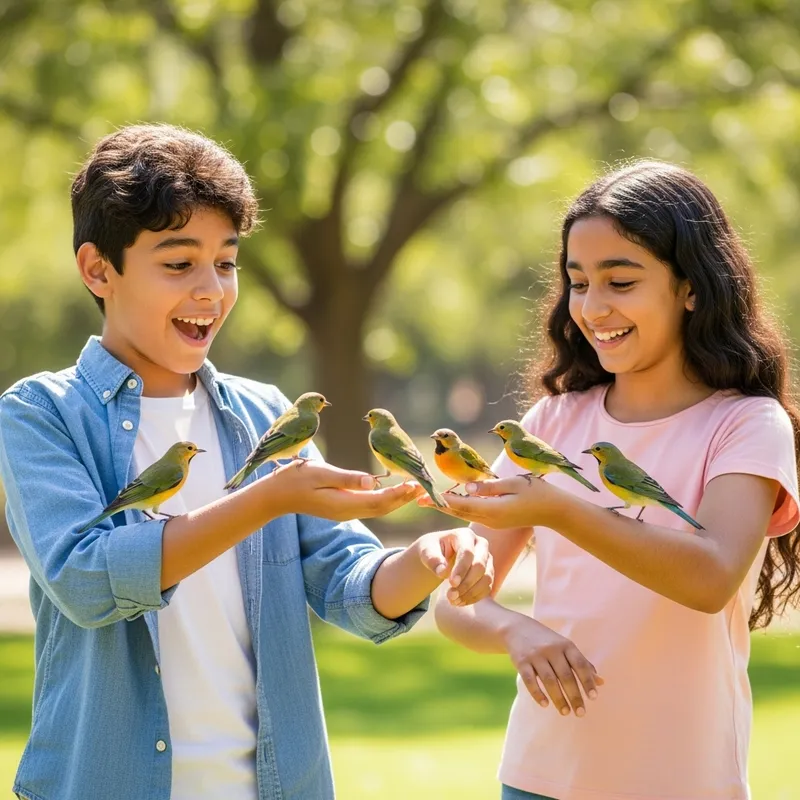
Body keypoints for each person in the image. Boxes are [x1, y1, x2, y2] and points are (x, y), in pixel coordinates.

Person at [0, 123, 493, 800]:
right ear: (97, 269)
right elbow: (86, 582)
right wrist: (267, 497)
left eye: (226, 262)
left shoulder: (264, 414)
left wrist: (427, 557)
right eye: (179, 264)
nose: (212, 290)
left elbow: (349, 583)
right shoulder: (42, 414)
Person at [423, 161, 800, 800]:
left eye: (620, 281)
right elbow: (455, 603)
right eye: (578, 282)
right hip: (538, 777)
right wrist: (518, 630)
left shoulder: (747, 424)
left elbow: (710, 579)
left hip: (684, 782)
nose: (593, 307)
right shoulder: (554, 421)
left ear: (692, 288)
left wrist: (561, 509)